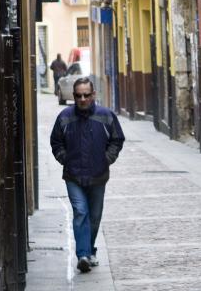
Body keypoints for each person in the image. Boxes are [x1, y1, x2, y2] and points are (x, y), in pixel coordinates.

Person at [50, 77, 125, 273]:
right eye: (78, 95)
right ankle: (82, 255)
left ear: (93, 95)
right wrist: (65, 159)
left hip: (98, 175)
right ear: (73, 96)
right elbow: (56, 142)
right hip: (73, 176)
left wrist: (107, 158)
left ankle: (90, 250)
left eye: (86, 95)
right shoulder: (65, 117)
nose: (82, 99)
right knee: (81, 212)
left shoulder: (106, 116)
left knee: (94, 216)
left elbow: (117, 139)